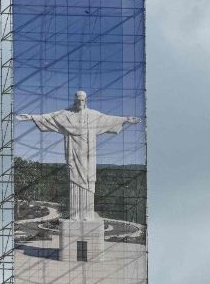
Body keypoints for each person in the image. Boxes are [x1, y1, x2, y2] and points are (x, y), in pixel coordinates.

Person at [17, 91, 140, 221]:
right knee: (75, 182)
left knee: (88, 181)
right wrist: (31, 117)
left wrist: (125, 119)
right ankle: (75, 214)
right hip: (73, 155)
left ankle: (87, 214)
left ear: (86, 101)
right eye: (78, 100)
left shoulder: (93, 115)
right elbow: (50, 117)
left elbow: (109, 119)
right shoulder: (66, 115)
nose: (80, 102)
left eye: (82, 100)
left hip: (88, 156)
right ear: (74, 101)